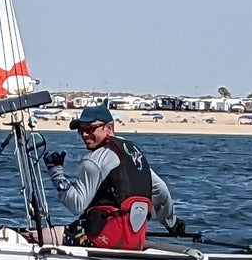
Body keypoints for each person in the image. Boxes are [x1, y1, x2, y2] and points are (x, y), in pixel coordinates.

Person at [47, 105, 180, 250]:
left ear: (109, 128)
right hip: (134, 241)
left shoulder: (93, 161)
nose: (85, 134)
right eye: (81, 130)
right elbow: (161, 190)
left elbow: (76, 205)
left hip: (100, 239)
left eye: (90, 129)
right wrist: (171, 223)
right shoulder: (134, 155)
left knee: (33, 237)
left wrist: (56, 173)